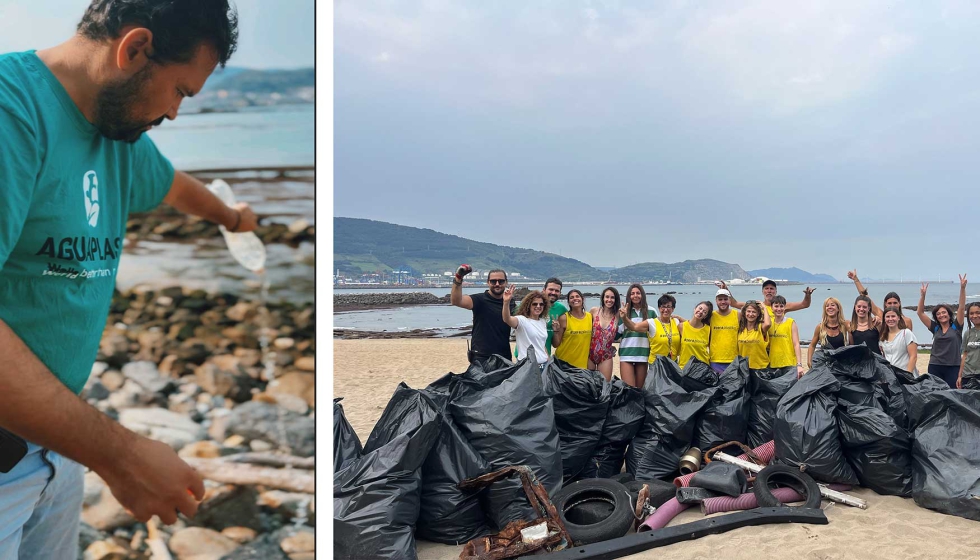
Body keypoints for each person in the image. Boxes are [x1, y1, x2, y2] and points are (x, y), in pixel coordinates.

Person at [0, 1, 245, 555]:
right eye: (181, 90)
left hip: (58, 450)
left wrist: (233, 219)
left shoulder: (116, 136)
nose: (177, 113)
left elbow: (178, 187)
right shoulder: (11, 110)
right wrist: (122, 456)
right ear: (134, 49)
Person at [451, 266, 515, 362]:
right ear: (488, 282)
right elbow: (456, 301)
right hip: (481, 356)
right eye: (493, 281)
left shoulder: (510, 302)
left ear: (506, 282)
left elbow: (523, 322)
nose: (497, 284)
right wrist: (458, 278)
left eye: (501, 281)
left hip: (504, 356)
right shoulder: (479, 300)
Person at [916, 277, 967, 387]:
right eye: (938, 314)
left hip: (953, 366)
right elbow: (920, 313)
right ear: (936, 317)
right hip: (935, 365)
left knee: (952, 394)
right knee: (935, 395)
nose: (941, 315)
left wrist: (962, 288)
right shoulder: (935, 328)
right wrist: (923, 296)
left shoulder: (956, 327)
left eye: (944, 313)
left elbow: (961, 308)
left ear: (949, 314)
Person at [847, 270, 914, 330]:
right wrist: (856, 280)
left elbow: (910, 340)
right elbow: (865, 297)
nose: (892, 305)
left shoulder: (907, 321)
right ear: (885, 304)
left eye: (895, 303)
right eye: (889, 303)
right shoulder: (881, 315)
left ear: (899, 303)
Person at [517, 277, 566, 359]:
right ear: (544, 290)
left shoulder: (561, 309)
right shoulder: (529, 306)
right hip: (526, 356)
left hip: (544, 357)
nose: (553, 292)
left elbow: (556, 343)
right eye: (551, 289)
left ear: (560, 293)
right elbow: (513, 321)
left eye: (557, 291)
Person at [721, 279, 814, 321]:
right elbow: (734, 303)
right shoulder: (756, 305)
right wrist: (725, 289)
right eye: (766, 289)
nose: (769, 291)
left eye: (772, 289)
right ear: (762, 291)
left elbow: (804, 304)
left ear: (776, 291)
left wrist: (808, 295)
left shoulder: (781, 306)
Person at [617, 284, 653, 388]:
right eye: (632, 293)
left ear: (642, 295)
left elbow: (656, 333)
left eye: (638, 293)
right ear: (629, 296)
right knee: (629, 390)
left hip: (643, 354)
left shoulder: (651, 311)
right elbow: (617, 334)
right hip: (627, 353)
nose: (635, 296)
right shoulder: (624, 311)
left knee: (639, 390)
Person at [502, 286, 550, 363]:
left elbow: (541, 344)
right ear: (528, 305)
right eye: (535, 304)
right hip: (527, 366)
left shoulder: (542, 322)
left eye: (541, 304)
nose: (538, 306)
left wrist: (548, 359)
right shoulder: (522, 320)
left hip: (543, 365)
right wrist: (506, 302)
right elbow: (507, 319)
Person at [588, 287, 621, 381]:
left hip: (606, 356)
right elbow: (583, 327)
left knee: (604, 386)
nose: (609, 300)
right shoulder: (594, 311)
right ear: (603, 298)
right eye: (607, 297)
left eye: (612, 297)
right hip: (589, 354)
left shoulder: (618, 314)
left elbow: (628, 328)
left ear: (616, 300)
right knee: (588, 385)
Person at [768, 296, 805, 378]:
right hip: (772, 364)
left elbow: (796, 344)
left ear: (785, 307)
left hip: (789, 364)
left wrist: (799, 364)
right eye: (776, 306)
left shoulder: (790, 322)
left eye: (781, 306)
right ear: (771, 307)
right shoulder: (769, 324)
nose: (779, 309)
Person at [807, 297, 849, 368]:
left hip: (841, 363)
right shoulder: (820, 327)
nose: (830, 307)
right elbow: (812, 345)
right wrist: (809, 361)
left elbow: (860, 326)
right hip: (824, 364)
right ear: (825, 310)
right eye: (827, 306)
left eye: (832, 305)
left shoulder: (845, 325)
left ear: (838, 308)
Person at [554, 290, 592, 369]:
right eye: (571, 297)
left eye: (577, 296)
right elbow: (556, 344)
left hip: (582, 366)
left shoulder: (590, 317)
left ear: (582, 299)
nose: (575, 299)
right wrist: (555, 331)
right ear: (568, 302)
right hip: (563, 364)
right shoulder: (564, 318)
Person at [709, 288, 739, 374]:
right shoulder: (711, 316)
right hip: (715, 360)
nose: (723, 302)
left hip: (733, 360)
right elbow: (697, 325)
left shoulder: (738, 315)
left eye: (725, 299)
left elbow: (750, 309)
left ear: (730, 300)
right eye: (720, 299)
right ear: (716, 301)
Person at [648, 294, 683, 368]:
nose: (665, 309)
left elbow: (691, 326)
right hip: (656, 364)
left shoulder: (676, 321)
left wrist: (680, 317)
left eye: (668, 307)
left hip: (673, 362)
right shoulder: (652, 323)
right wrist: (625, 317)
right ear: (659, 308)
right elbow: (635, 327)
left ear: (673, 308)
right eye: (663, 307)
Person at [880, 307, 918, 373]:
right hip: (891, 375)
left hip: (905, 374)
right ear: (884, 319)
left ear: (898, 318)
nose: (890, 319)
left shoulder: (906, 333)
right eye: (888, 317)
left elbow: (913, 356)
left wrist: (908, 374)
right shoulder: (883, 337)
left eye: (893, 316)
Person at [737, 300, 771, 369]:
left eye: (754, 312)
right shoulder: (741, 328)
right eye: (748, 311)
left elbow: (768, 324)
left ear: (758, 314)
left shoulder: (760, 327)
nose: (751, 314)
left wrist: (764, 307)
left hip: (760, 368)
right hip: (744, 368)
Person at [678, 301, 712, 369]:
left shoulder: (708, 330)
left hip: (702, 370)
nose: (701, 311)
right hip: (684, 368)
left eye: (704, 312)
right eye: (700, 308)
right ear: (695, 309)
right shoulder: (681, 326)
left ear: (705, 316)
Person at [958, 301, 980, 389]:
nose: (974, 316)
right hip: (967, 375)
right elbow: (965, 355)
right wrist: (960, 376)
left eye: (978, 313)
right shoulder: (968, 333)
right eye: (971, 313)